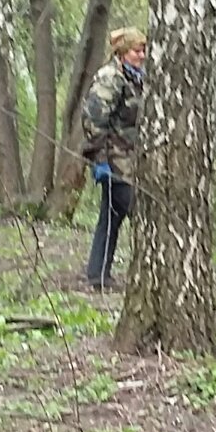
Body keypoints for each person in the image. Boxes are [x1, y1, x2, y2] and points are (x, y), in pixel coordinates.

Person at [81, 27, 146, 290]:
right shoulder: (110, 78)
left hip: (132, 159)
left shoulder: (137, 78)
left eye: (143, 50)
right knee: (137, 210)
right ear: (122, 52)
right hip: (115, 161)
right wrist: (100, 160)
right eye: (136, 51)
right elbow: (94, 120)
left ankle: (97, 274)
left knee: (111, 217)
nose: (142, 55)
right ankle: (140, 275)